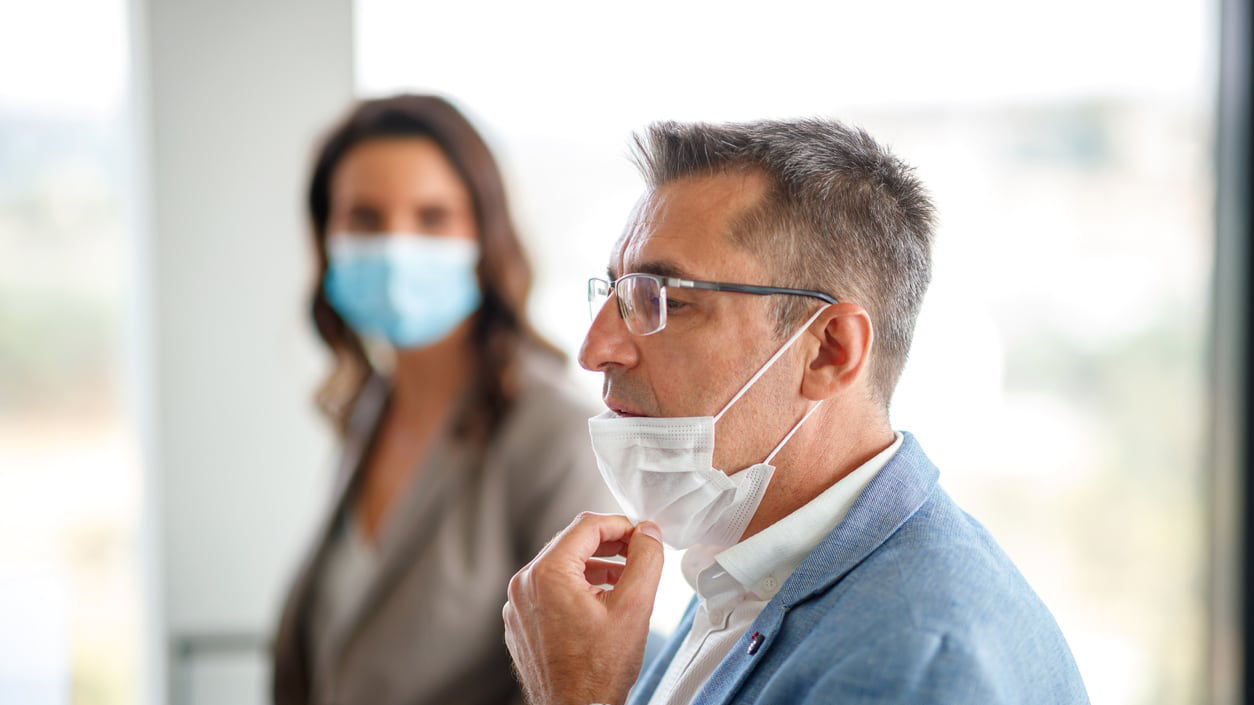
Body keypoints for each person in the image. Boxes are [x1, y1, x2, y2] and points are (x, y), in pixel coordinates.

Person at [502, 119, 1090, 705]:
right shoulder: (748, 561)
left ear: (830, 352)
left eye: (669, 301)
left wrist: (577, 693)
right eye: (618, 294)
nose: (595, 349)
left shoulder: (920, 666)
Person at [271, 95, 616, 705]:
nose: (397, 248)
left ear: (485, 234)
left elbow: (575, 677)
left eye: (432, 217)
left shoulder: (556, 432)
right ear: (327, 235)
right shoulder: (369, 409)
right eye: (366, 219)